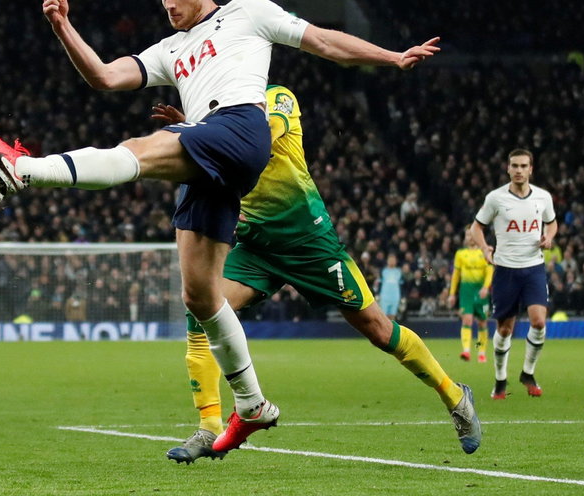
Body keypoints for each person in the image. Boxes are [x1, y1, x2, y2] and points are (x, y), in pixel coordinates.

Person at [0, 0, 441, 453]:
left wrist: (391, 56)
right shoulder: (170, 50)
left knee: (135, 150)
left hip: (241, 128)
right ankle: (253, 404)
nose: (169, 5)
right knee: (200, 298)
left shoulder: (248, 12)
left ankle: (23, 169)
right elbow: (105, 77)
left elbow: (324, 41)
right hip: (213, 156)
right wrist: (63, 26)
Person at [154, 85, 480, 463]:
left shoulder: (277, 98)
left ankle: (456, 398)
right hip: (258, 246)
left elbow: (253, 139)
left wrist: (195, 132)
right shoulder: (217, 114)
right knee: (202, 308)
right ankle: (208, 426)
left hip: (310, 243)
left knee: (378, 329)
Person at [469, 149, 557, 399]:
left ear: (531, 169)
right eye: (514, 166)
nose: (519, 170)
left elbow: (551, 222)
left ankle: (527, 373)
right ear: (508, 169)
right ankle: (500, 380)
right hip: (506, 270)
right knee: (505, 329)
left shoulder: (543, 197)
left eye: (523, 166)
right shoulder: (496, 198)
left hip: (534, 268)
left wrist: (549, 237)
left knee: (539, 321)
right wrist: (485, 247)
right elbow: (476, 227)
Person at [448, 227, 494, 362]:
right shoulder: (460, 254)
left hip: (481, 290)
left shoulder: (484, 252)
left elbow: (490, 271)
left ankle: (481, 352)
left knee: (482, 322)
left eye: (472, 234)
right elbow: (456, 275)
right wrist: (452, 294)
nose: (470, 237)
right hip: (466, 291)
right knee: (467, 319)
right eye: (467, 234)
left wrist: (486, 287)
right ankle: (466, 351)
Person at [376, 253, 403, 320]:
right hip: (385, 297)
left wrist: (403, 296)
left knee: (392, 317)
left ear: (396, 261)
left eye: (393, 260)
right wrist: (377, 294)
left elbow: (402, 285)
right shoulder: (383, 271)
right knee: (383, 317)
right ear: (387, 261)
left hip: (395, 297)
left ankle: (391, 330)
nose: (392, 261)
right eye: (390, 260)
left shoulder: (399, 272)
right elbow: (379, 283)